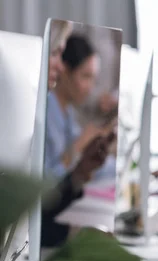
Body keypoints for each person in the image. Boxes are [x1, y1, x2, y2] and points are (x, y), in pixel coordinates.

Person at [45, 34, 116, 182]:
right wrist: (80, 144)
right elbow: (44, 183)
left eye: (93, 79)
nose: (90, 88)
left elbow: (96, 168)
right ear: (64, 72)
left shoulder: (68, 112)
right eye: (85, 77)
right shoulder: (46, 113)